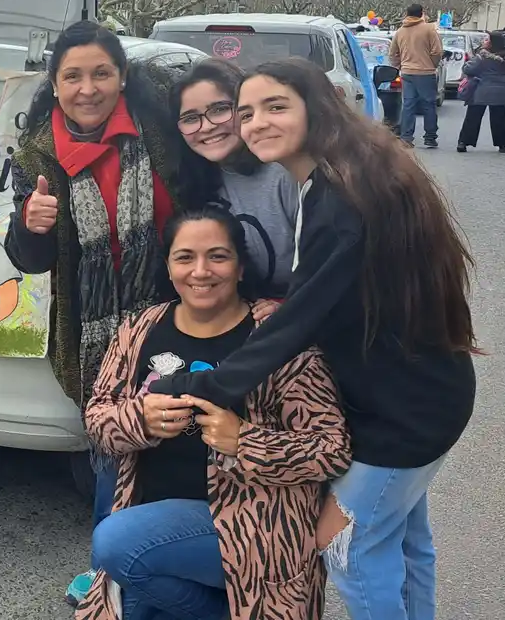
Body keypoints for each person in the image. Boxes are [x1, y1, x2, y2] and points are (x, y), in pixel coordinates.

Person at [149, 58, 478, 620]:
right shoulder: (343, 173)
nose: (256, 123)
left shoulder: (341, 200)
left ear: (316, 106)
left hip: (404, 412)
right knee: (403, 541)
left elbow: (299, 318)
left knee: (346, 548)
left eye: (275, 107)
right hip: (422, 388)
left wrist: (195, 386)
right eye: (248, 111)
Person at [0, 20, 195, 604]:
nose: (88, 88)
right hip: (94, 335)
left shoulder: (162, 132)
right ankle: (108, 569)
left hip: (175, 318)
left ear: (123, 76)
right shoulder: (37, 153)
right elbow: (30, 259)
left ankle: (168, 563)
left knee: (181, 441)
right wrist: (29, 228)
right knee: (112, 450)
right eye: (73, 76)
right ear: (55, 85)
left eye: (101, 73)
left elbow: (202, 207)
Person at [76, 206, 350, 620]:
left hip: (252, 530)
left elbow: (331, 449)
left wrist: (245, 441)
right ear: (168, 267)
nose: (201, 271)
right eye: (185, 257)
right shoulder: (140, 329)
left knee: (115, 543)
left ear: (241, 268)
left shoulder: (277, 339)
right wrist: (139, 420)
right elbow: (97, 418)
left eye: (218, 256)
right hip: (159, 529)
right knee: (126, 586)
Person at [171, 59, 297, 297]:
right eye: (190, 118)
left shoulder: (285, 174)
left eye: (219, 109)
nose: (206, 126)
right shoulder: (191, 183)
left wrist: (284, 307)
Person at [387, 3, 443, 148]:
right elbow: (437, 52)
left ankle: (406, 137)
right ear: (422, 13)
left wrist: (399, 65)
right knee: (428, 105)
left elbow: (393, 53)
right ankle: (430, 137)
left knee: (408, 105)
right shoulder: (429, 29)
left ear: (407, 13)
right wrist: (432, 64)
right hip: (425, 72)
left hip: (407, 72)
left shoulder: (400, 31)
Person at [457, 31, 505, 153]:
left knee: (473, 117)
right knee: (499, 119)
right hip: (501, 91)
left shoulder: (482, 57)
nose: (484, 41)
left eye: (486, 40)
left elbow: (468, 69)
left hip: (481, 90)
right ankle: (502, 144)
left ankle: (464, 142)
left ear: (492, 43)